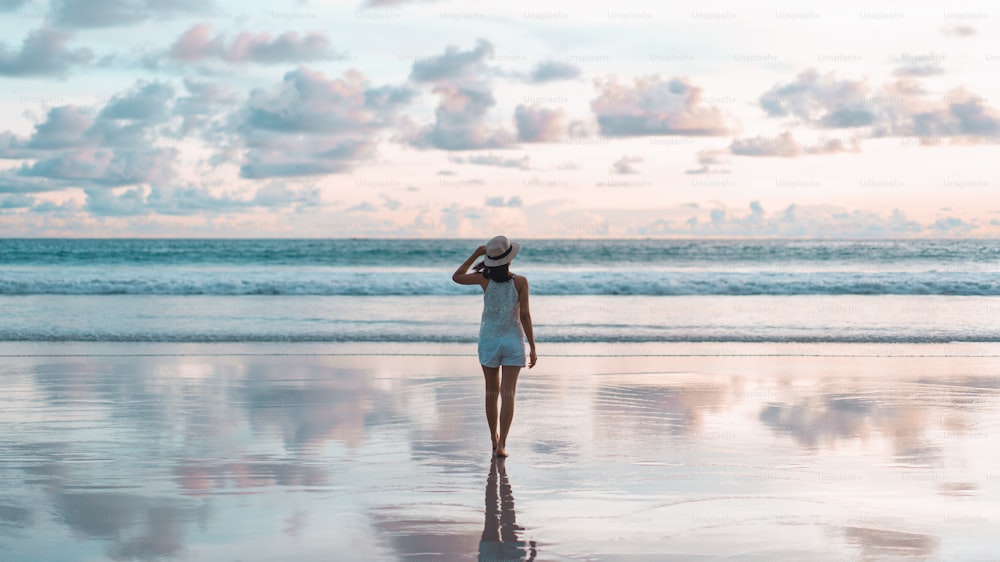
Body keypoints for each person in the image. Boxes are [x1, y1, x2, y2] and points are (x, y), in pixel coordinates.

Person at [452, 236, 537, 457]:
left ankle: (493, 439)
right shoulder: (520, 281)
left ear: (490, 259)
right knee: (508, 393)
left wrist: (475, 254)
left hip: (489, 340)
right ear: (509, 259)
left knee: (491, 392)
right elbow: (526, 316)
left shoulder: (483, 279)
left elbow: (457, 277)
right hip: (512, 341)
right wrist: (533, 347)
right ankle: (503, 445)